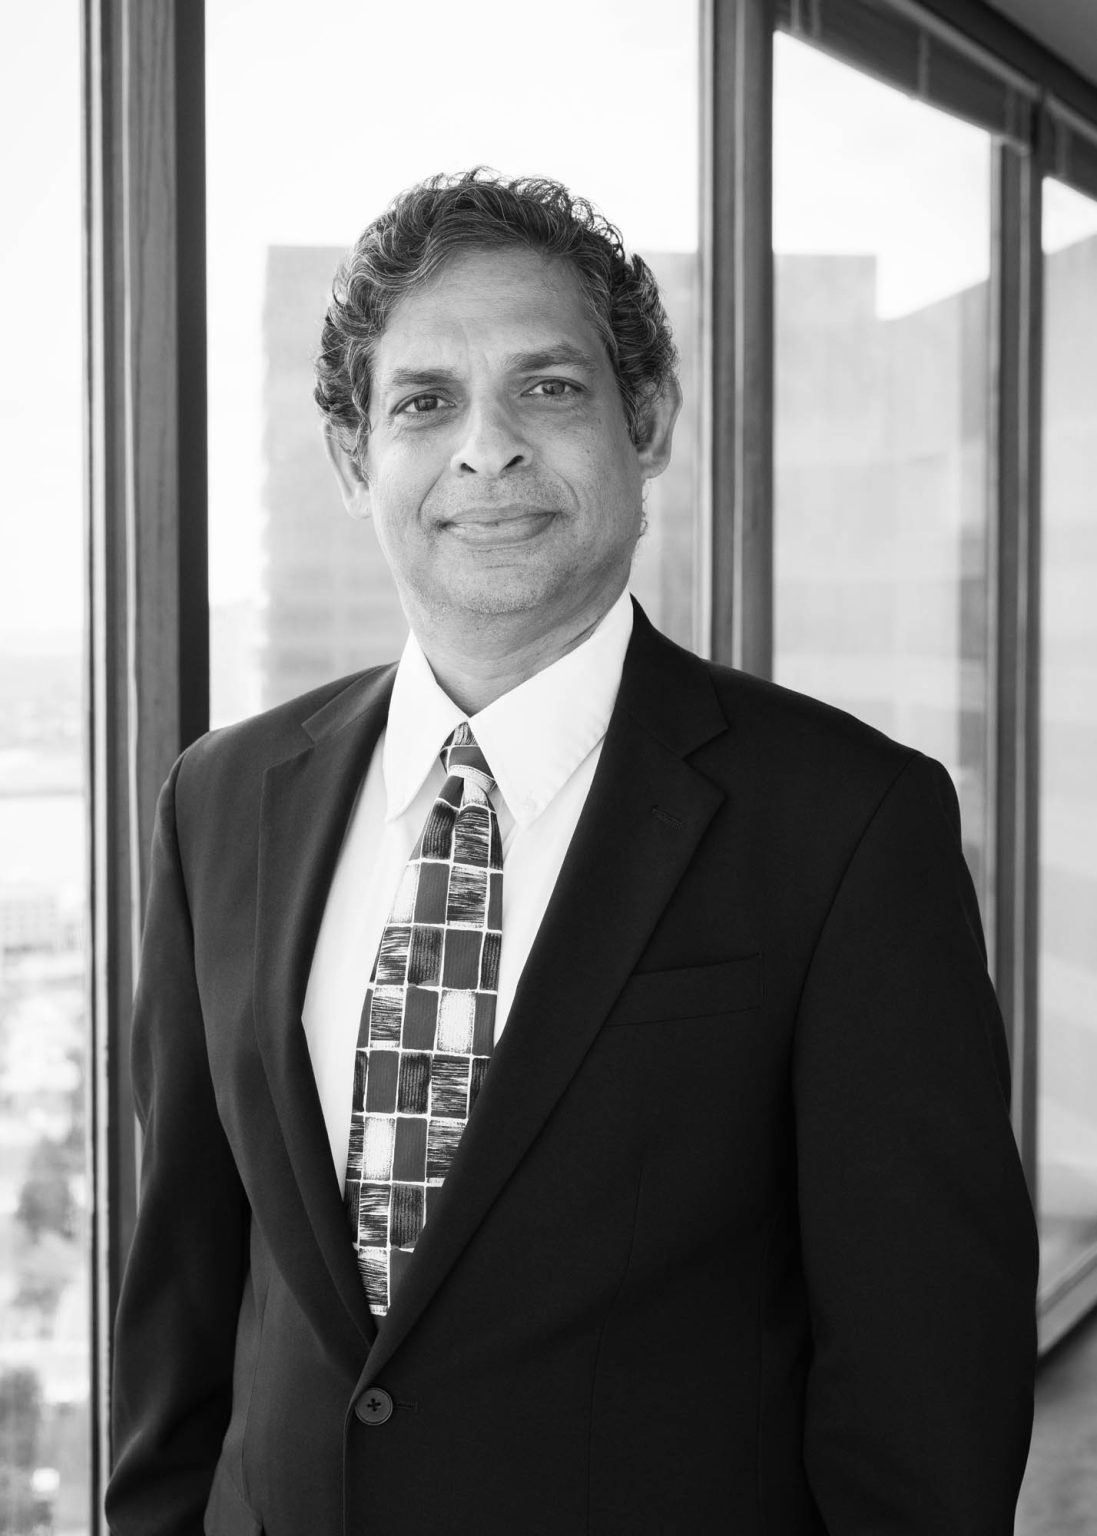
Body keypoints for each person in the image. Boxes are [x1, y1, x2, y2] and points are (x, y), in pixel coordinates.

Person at [106, 170, 1037, 1536]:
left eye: (547, 388)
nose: (484, 449)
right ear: (357, 461)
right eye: (424, 402)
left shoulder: (846, 821)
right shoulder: (223, 797)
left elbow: (923, 1375)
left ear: (644, 421)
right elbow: (183, 1283)